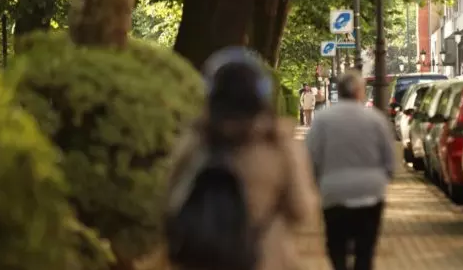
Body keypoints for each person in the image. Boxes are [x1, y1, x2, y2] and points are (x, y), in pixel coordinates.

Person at [165, 47, 318, 270]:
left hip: (203, 261)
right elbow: (301, 209)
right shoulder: (276, 145)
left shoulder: (196, 142)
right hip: (264, 259)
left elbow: (171, 204)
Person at [305, 71, 396, 270]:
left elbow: (311, 157)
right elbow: (389, 158)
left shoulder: (322, 120)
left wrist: (316, 182)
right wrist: (385, 177)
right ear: (359, 92)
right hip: (370, 193)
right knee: (365, 249)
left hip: (334, 193)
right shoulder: (375, 119)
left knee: (336, 246)